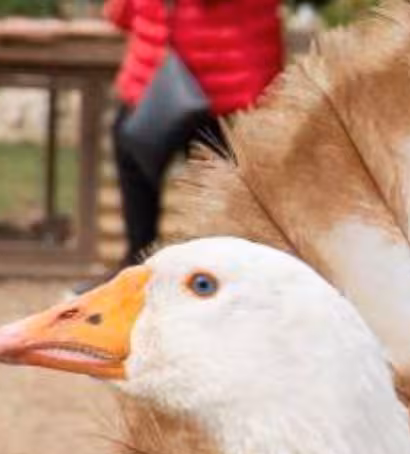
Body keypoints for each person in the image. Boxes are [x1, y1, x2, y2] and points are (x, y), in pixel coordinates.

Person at [102, 0, 284, 270]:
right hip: (220, 78)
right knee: (222, 193)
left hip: (190, 77)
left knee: (142, 162)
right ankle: (211, 276)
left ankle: (143, 269)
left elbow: (122, 14)